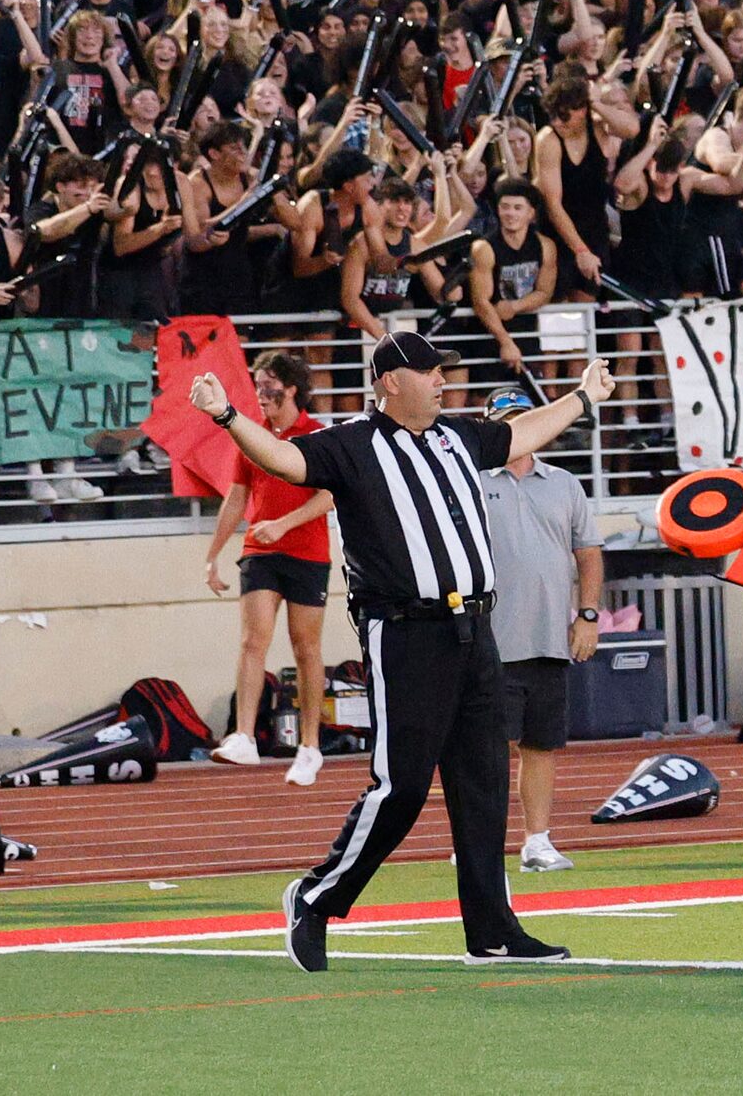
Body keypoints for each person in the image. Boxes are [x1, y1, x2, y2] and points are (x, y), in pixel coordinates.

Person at [189, 331, 606, 969]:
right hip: (406, 632)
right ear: (391, 381)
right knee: (401, 787)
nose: (443, 381)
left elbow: (521, 435)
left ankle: (492, 930)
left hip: (475, 630)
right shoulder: (354, 445)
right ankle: (316, 896)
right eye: (431, 372)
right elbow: (281, 460)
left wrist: (582, 395)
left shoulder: (459, 437)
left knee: (485, 781)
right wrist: (225, 414)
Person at [473, 385, 603, 876]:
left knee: (541, 745)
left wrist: (587, 616)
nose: (518, 430)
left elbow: (587, 552)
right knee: (487, 750)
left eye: (525, 419)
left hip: (549, 635)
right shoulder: (470, 480)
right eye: (506, 420)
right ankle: (480, 839)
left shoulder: (564, 483)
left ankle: (537, 840)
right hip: (488, 639)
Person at [203, 350, 336, 786]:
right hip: (260, 549)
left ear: (292, 388)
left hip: (307, 550)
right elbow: (236, 497)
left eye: (268, 386)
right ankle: (243, 735)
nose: (261, 395)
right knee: (252, 640)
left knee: (306, 648)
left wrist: (284, 525)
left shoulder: (315, 435)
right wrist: (213, 554)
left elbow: (330, 496)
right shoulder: (251, 435)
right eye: (257, 387)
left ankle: (310, 745)